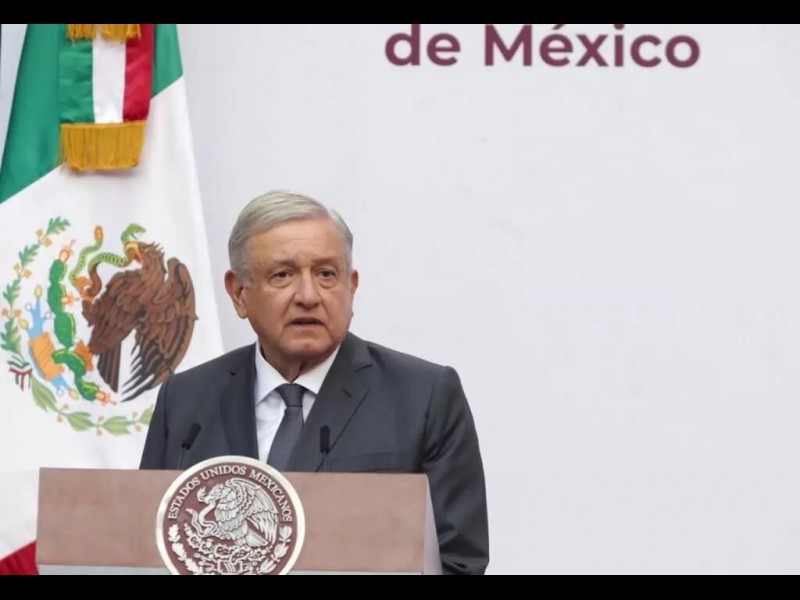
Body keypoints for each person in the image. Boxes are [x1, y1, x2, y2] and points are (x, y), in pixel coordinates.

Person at [139, 190, 489, 575]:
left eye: (326, 274)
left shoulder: (424, 397)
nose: (308, 296)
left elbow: (459, 562)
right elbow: (141, 549)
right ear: (239, 293)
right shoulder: (186, 399)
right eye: (283, 275)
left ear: (351, 287)